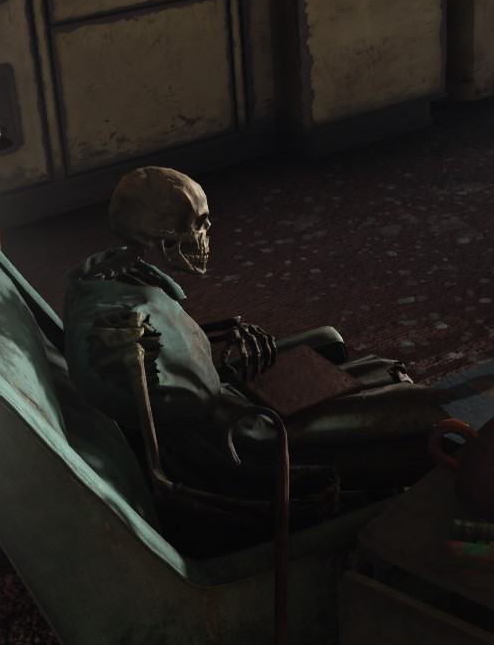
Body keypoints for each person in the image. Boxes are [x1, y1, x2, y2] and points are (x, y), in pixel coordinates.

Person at [62, 167, 442, 543]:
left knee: (381, 370)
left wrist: (210, 348)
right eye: (198, 224)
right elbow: (188, 416)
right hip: (239, 442)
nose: (207, 232)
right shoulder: (122, 332)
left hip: (227, 407)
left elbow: (178, 376)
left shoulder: (113, 280)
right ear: (159, 237)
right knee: (421, 409)